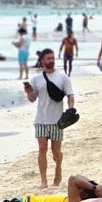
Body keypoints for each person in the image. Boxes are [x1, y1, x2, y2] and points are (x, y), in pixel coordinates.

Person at [25, 49, 76, 187]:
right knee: (42, 148)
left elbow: (70, 95)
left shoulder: (62, 77)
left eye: (52, 58)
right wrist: (29, 92)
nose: (51, 61)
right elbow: (32, 99)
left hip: (58, 121)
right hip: (41, 119)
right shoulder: (36, 79)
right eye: (48, 58)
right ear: (42, 61)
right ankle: (43, 180)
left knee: (56, 152)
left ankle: (58, 167)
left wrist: (71, 109)